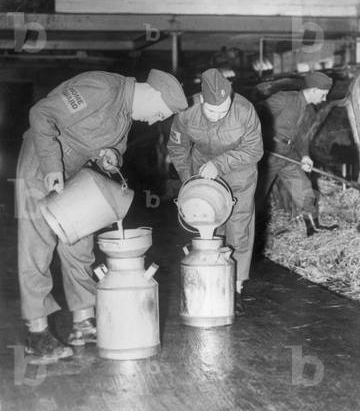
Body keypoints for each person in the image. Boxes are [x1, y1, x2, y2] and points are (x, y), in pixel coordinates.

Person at [17, 69, 186, 363]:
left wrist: (109, 156)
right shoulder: (102, 88)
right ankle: (36, 332)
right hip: (41, 161)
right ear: (153, 93)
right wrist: (52, 166)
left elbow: (111, 149)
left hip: (74, 170)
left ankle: (83, 323)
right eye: (161, 112)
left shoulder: (126, 115)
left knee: (80, 242)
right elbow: (41, 114)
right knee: (38, 244)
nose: (157, 119)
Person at [167, 68, 263, 303]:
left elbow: (254, 150)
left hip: (240, 173)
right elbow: (177, 148)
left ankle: (236, 288)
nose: (219, 115)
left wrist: (220, 164)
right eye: (212, 111)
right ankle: (211, 281)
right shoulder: (187, 112)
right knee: (208, 225)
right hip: (202, 173)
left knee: (238, 230)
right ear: (201, 100)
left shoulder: (244, 110)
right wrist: (189, 182)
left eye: (224, 109)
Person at [258, 71, 337, 236]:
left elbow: (302, 137)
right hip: (269, 154)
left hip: (289, 154)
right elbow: (254, 116)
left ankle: (312, 227)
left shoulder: (310, 112)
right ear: (313, 90)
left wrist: (305, 155)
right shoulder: (284, 99)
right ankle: (252, 235)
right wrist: (262, 141)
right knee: (258, 194)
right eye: (323, 95)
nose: (324, 99)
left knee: (304, 189)